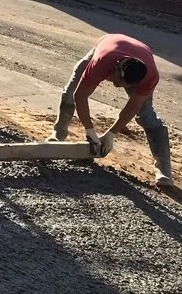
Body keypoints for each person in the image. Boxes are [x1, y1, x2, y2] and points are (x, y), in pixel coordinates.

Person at [49, 33, 173, 187]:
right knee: (70, 90)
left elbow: (134, 106)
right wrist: (89, 131)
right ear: (115, 69)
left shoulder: (150, 76)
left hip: (139, 55)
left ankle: (164, 172)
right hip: (108, 44)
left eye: (127, 85)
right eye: (120, 81)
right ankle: (58, 133)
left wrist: (111, 134)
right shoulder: (102, 62)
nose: (121, 87)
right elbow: (80, 96)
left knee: (147, 116)